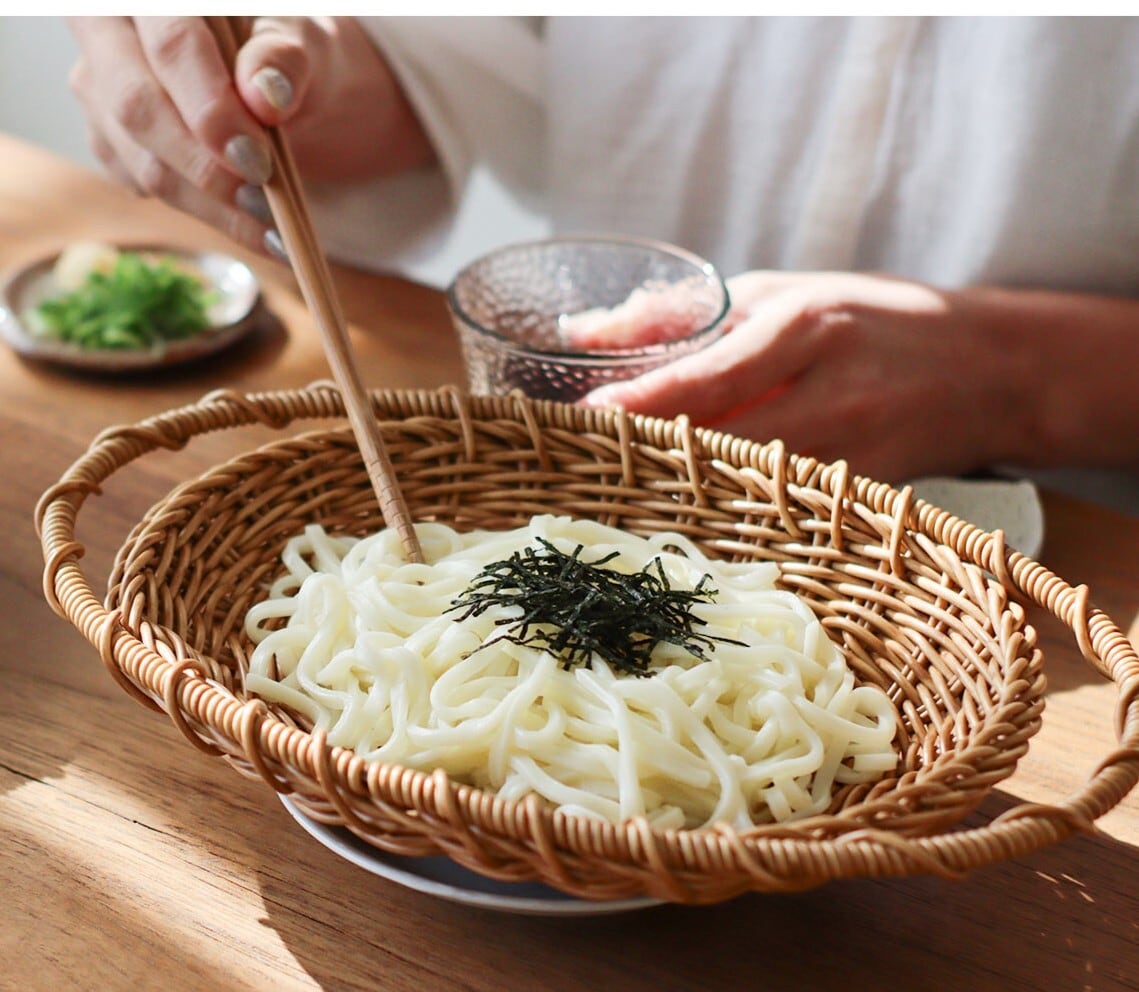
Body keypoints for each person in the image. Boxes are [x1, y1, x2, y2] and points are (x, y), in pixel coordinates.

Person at [65, 16, 1139, 507]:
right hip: (597, 492)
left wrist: (1016, 375)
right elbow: (467, 61)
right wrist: (297, 68)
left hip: (1066, 569)